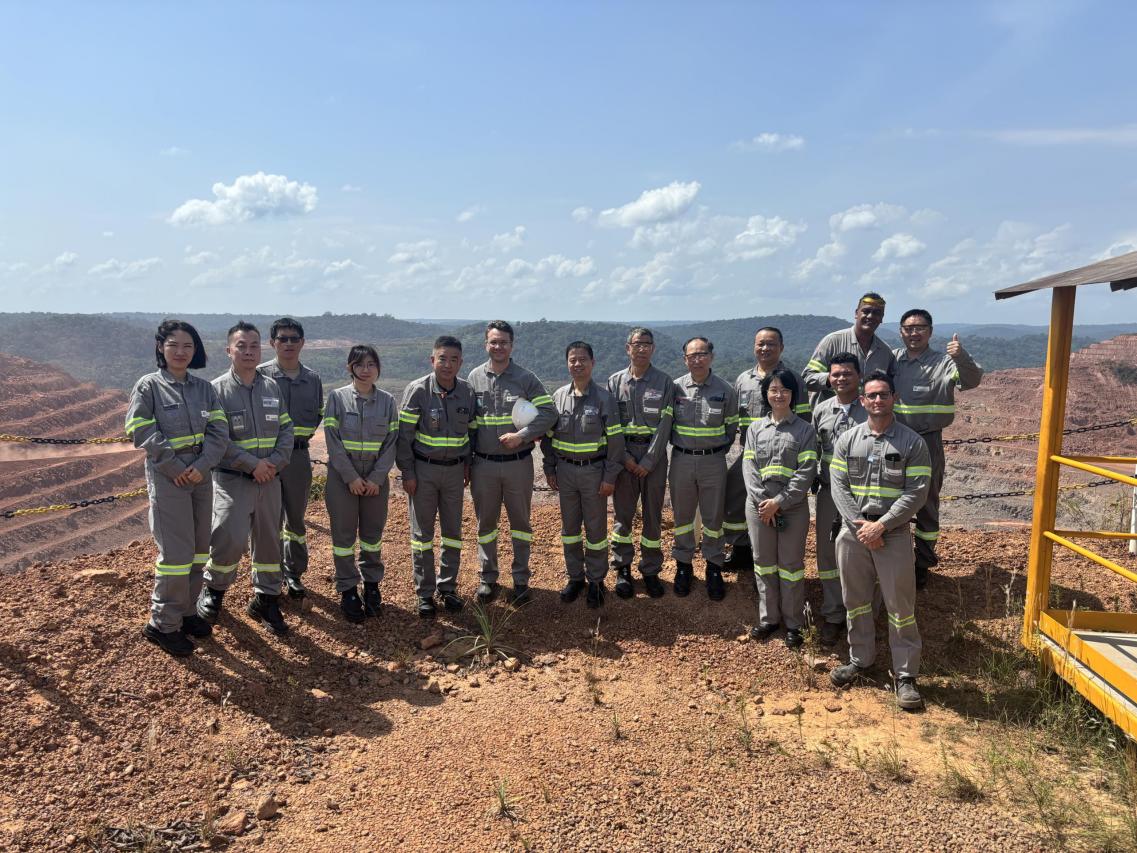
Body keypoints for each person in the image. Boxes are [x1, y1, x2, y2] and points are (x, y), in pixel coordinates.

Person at [828, 370, 931, 711]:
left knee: (900, 607)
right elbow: (839, 486)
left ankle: (906, 675)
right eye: (871, 395)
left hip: (894, 534)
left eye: (883, 394)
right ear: (862, 400)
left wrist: (881, 526)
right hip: (853, 533)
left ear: (894, 398)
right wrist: (862, 527)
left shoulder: (912, 443)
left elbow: (916, 493)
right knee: (856, 601)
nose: (877, 400)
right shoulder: (848, 440)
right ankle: (860, 660)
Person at [127, 320, 229, 657]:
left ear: (195, 350)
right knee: (175, 554)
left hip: (200, 474)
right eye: (173, 344)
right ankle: (162, 624)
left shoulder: (204, 389)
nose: (181, 351)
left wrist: (201, 466)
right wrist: (175, 468)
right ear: (161, 347)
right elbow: (141, 430)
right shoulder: (149, 386)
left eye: (188, 346)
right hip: (168, 477)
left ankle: (186, 612)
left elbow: (219, 431)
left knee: (199, 549)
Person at [197, 322, 294, 636]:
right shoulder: (216, 391)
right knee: (229, 536)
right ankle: (214, 590)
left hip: (269, 479)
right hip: (233, 479)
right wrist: (253, 465)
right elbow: (217, 439)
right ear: (229, 350)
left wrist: (274, 464)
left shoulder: (271, 388)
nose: (249, 351)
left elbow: (286, 430)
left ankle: (266, 598)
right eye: (242, 346)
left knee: (269, 540)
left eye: (254, 346)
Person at [892, 310, 984, 589]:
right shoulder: (892, 360)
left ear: (930, 332)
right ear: (901, 331)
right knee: (890, 497)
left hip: (928, 441)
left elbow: (972, 380)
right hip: (894, 441)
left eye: (920, 327)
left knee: (927, 503)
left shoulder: (945, 362)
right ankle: (892, 559)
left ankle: (922, 563)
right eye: (908, 328)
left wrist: (961, 355)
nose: (914, 333)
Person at [467, 320, 557, 605]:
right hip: (483, 465)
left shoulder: (525, 378)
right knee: (486, 524)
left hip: (518, 464)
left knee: (520, 524)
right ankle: (488, 578)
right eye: (493, 342)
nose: (498, 346)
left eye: (503, 342)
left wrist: (522, 436)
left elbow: (549, 413)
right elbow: (468, 423)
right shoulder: (474, 378)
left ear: (512, 345)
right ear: (486, 344)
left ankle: (520, 579)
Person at [396, 336, 475, 619]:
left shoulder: (466, 391)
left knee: (453, 533)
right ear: (432, 360)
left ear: (461, 363)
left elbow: (472, 431)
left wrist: (468, 464)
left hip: (454, 472)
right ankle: (425, 593)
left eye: (454, 360)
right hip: (424, 471)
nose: (447, 365)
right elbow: (404, 437)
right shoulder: (417, 390)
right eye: (442, 358)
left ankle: (448, 587)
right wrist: (408, 472)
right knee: (422, 536)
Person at [543, 342, 625, 608]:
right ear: (567, 363)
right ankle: (575, 577)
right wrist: (550, 467)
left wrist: (610, 477)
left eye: (582, 360)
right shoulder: (558, 397)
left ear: (592, 363)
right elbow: (548, 438)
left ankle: (597, 581)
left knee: (595, 529)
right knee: (569, 530)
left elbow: (616, 443)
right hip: (565, 472)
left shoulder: (604, 399)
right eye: (572, 360)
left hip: (594, 472)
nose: (577, 364)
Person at [723, 327, 809, 571]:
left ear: (781, 347)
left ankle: (774, 555)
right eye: (760, 343)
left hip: (783, 455)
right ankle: (741, 549)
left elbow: (804, 419)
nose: (765, 348)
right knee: (738, 499)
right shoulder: (743, 379)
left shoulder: (792, 379)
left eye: (771, 344)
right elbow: (734, 418)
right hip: (749, 453)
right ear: (754, 347)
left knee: (778, 502)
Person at [743, 370, 818, 648]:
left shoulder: (805, 430)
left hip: (792, 507)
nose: (779, 395)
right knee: (763, 562)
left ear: (793, 395)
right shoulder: (755, 429)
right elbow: (749, 468)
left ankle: (794, 623)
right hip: (759, 507)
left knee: (790, 566)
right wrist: (764, 502)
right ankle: (769, 619)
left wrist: (779, 502)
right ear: (766, 394)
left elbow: (806, 471)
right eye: (773, 389)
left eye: (784, 390)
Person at [323, 345, 398, 623]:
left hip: (375, 480)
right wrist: (351, 477)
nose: (366, 370)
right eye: (360, 364)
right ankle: (348, 589)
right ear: (350, 368)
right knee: (343, 538)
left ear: (378, 368)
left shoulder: (388, 401)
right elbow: (333, 442)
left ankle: (372, 586)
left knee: (372, 535)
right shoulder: (337, 398)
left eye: (371, 364)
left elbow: (391, 443)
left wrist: (376, 478)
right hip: (343, 479)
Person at [258, 317, 324, 600]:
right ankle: (268, 578)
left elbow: (318, 413)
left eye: (293, 339)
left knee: (295, 519)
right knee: (268, 521)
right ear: (272, 343)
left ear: (302, 343)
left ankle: (294, 573)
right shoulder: (260, 376)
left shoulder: (312, 379)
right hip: (268, 458)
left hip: (297, 456)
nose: (288, 344)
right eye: (282, 338)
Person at [669, 337, 739, 600]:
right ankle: (683, 565)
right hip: (682, 460)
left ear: (711, 356)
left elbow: (731, 428)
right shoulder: (675, 388)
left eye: (702, 354)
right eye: (691, 355)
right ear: (684, 359)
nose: (697, 359)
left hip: (713, 461)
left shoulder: (726, 390)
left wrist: (714, 450)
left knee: (713, 518)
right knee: (683, 517)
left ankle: (714, 566)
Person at [607, 327, 673, 599]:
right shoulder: (614, 382)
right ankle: (622, 568)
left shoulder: (664, 382)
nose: (642, 348)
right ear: (628, 348)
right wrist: (624, 457)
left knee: (653, 516)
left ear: (653, 348)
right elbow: (611, 425)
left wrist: (649, 459)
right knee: (623, 515)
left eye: (647, 344)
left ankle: (650, 570)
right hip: (624, 455)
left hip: (653, 457)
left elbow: (666, 423)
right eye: (637, 344)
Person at [811, 353, 867, 646]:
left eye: (847, 373)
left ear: (859, 376)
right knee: (828, 554)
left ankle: (862, 616)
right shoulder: (821, 410)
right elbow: (814, 450)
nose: (841, 379)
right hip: (829, 492)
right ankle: (833, 614)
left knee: (863, 553)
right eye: (836, 374)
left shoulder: (870, 407)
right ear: (829, 378)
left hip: (864, 494)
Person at [802, 292, 896, 410]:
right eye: (866, 311)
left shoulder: (885, 352)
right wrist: (833, 379)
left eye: (877, 313)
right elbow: (807, 378)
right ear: (856, 313)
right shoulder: (832, 341)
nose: (870, 316)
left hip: (867, 417)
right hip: (832, 415)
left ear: (882, 318)